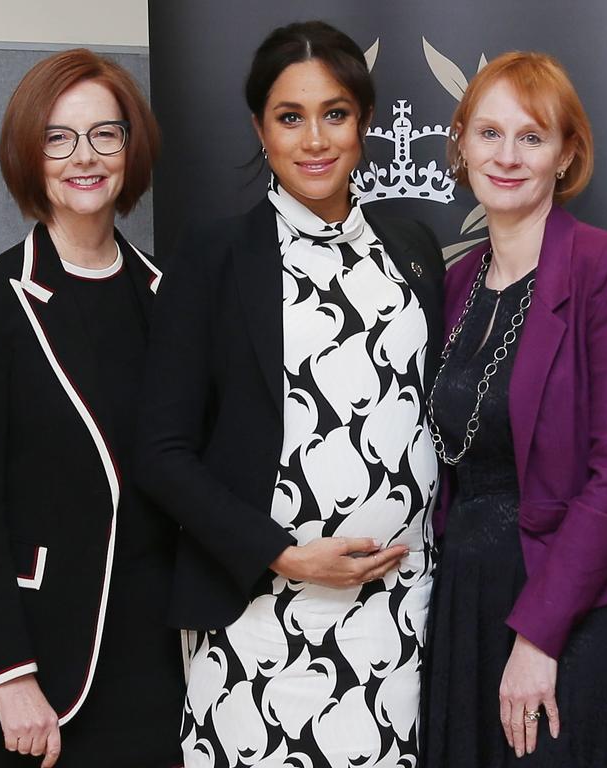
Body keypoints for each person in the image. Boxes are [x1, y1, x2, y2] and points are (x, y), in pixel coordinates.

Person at [137, 20, 444, 767]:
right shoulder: (215, 255)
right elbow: (161, 451)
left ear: (364, 122)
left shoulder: (413, 249)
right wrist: (282, 555)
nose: (314, 139)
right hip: (259, 612)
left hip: (398, 614)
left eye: (334, 114)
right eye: (289, 117)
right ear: (259, 128)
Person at [0, 49, 184, 767]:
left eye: (106, 133)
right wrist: (7, 677)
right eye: (58, 138)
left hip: (158, 670)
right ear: (27, 154)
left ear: (132, 149)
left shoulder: (171, 298)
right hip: (34, 675)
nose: (84, 157)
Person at [420, 52, 607, 767]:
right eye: (489, 133)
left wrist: (540, 636)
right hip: (465, 600)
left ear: (565, 156)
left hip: (573, 610)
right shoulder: (454, 285)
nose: (507, 156)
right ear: (461, 141)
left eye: (532, 137)